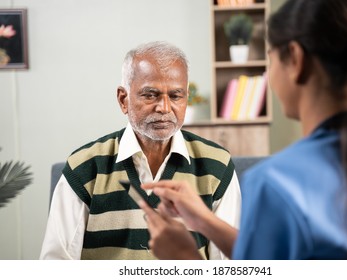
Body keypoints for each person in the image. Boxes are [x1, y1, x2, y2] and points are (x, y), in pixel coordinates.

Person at [139, 0, 347, 260]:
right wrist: (204, 220)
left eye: (269, 59)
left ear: (294, 59)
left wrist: (184, 258)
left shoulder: (276, 184)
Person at [39, 41, 241, 260]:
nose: (164, 107)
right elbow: (55, 265)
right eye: (150, 95)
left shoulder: (217, 166)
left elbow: (230, 266)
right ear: (123, 99)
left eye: (175, 96)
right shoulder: (85, 167)